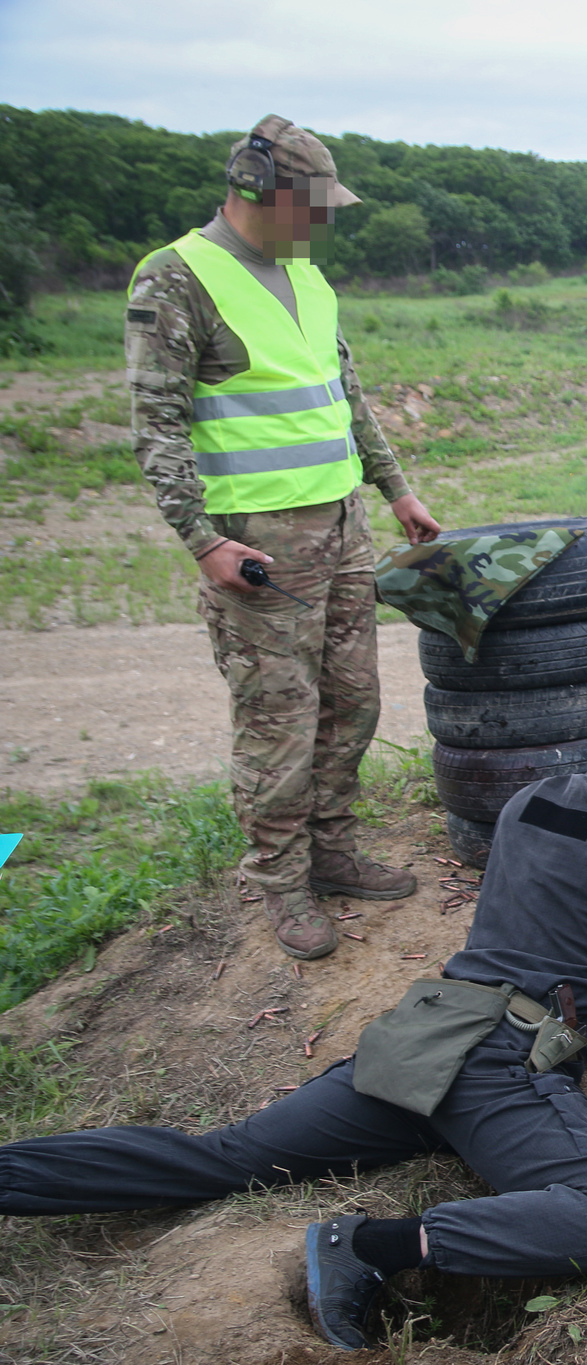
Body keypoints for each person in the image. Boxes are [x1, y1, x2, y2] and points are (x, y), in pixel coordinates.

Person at [0, 706, 587, 1351]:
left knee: (225, 1155)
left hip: (419, 1038)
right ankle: (372, 1245)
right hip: (498, 1062)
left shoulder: (526, 804)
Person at [126, 114, 442, 960]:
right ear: (257, 188)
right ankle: (280, 877)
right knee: (279, 718)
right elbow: (155, 425)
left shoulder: (309, 278)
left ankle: (332, 850)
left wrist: (397, 489)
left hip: (342, 526)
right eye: (316, 204)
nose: (326, 220)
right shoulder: (176, 278)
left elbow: (347, 397)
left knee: (353, 699)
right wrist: (201, 541)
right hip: (256, 546)